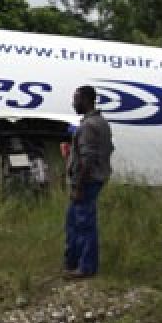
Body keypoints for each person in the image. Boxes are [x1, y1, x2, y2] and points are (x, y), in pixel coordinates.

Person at [64, 85, 113, 279]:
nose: (74, 103)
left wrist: (78, 185)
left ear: (86, 100)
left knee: (83, 223)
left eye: (76, 99)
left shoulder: (88, 126)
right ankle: (74, 263)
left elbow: (87, 159)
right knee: (76, 221)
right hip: (95, 179)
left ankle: (85, 267)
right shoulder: (101, 123)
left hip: (87, 181)